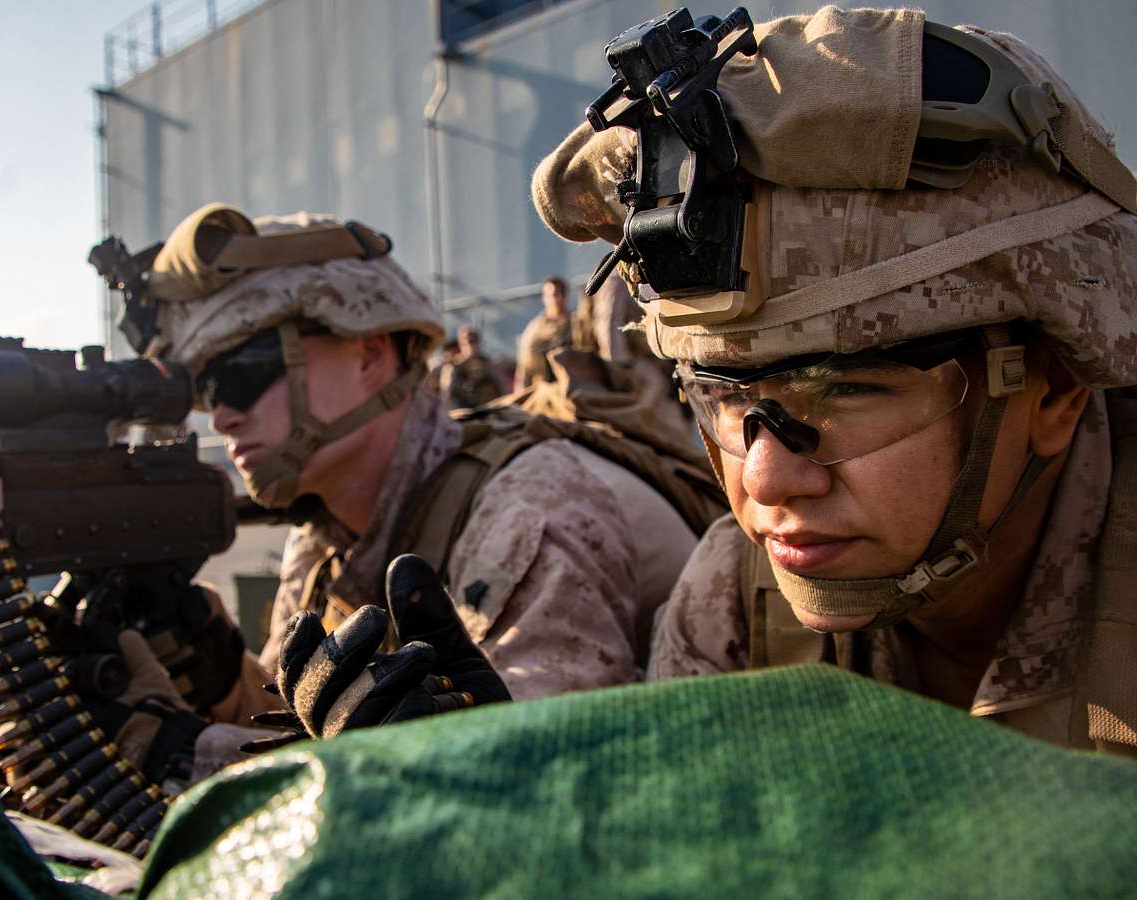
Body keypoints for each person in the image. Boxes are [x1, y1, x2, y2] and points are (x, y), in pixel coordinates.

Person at [530, 8, 1137, 774]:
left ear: (1053, 392)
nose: (765, 479)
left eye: (845, 390)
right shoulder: (739, 587)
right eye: (725, 395)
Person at [122, 203, 708, 762]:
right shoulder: (326, 534)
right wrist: (202, 655)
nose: (220, 417)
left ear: (369, 355)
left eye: (239, 377)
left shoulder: (529, 506)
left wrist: (181, 755)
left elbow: (527, 774)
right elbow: (288, 725)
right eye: (205, 394)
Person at [514, 276, 572, 389]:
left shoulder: (577, 324)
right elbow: (524, 368)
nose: (557, 299)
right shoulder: (534, 330)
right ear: (544, 298)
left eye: (561, 293)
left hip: (573, 387)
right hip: (543, 390)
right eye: (553, 295)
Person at [437, 325, 503, 408]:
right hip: (463, 412)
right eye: (468, 341)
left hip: (488, 411)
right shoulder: (453, 366)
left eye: (474, 341)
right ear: (461, 344)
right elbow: (446, 396)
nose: (471, 345)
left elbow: (504, 389)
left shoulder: (489, 365)